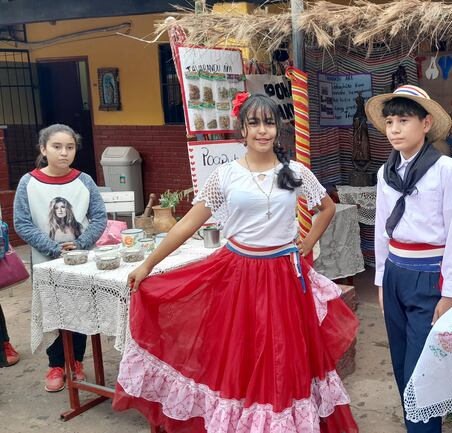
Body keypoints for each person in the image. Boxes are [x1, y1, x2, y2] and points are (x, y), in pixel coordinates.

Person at [112, 93, 359, 433]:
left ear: (278, 128)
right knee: (239, 356)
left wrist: (306, 244)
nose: (263, 130)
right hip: (237, 276)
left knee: (280, 357)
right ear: (242, 130)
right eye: (254, 123)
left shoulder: (294, 172)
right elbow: (187, 224)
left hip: (283, 278)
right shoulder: (225, 176)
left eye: (269, 122)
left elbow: (326, 207)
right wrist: (148, 265)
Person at [366, 85, 452, 433]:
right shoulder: (385, 173)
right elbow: (383, 227)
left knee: (422, 369)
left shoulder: (447, 170)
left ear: (425, 124)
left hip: (429, 275)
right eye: (390, 121)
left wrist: (450, 292)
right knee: (400, 365)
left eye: (404, 120)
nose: (394, 129)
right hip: (395, 272)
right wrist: (381, 280)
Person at [13, 124, 107, 391]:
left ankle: (75, 361)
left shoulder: (84, 181)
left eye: (70, 147)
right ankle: (56, 365)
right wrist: (54, 249)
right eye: (56, 147)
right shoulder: (28, 183)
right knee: (54, 312)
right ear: (43, 149)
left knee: (80, 311)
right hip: (46, 262)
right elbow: (23, 222)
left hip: (82, 261)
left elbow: (99, 217)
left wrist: (80, 244)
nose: (64, 153)